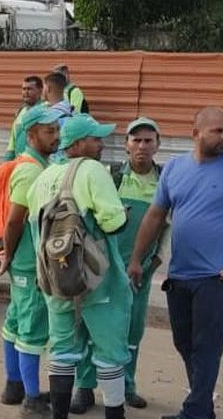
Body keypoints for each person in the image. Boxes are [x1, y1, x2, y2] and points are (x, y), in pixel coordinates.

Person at [129, 106, 223, 419]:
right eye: (218, 131)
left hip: (218, 276)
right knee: (184, 342)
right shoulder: (174, 169)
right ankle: (203, 408)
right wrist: (136, 259)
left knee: (206, 346)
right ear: (196, 134)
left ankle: (194, 411)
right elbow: (156, 215)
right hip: (180, 275)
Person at [27, 114, 131, 419]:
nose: (101, 144)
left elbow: (35, 229)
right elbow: (114, 223)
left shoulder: (44, 176)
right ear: (78, 143)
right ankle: (114, 413)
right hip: (97, 282)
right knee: (110, 352)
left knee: (62, 349)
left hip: (56, 280)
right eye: (95, 138)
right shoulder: (92, 170)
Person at [71, 117, 167, 413]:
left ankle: (127, 387)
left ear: (157, 145)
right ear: (126, 145)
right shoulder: (110, 177)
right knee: (89, 328)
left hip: (139, 271)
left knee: (132, 332)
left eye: (148, 140)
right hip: (103, 269)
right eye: (135, 140)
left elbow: (169, 226)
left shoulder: (165, 180)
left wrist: (155, 261)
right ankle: (83, 388)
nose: (141, 146)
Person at [0, 106, 63, 415]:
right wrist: (8, 253)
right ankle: (31, 400)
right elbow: (15, 220)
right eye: (50, 132)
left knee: (16, 321)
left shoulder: (40, 164)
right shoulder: (31, 170)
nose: (56, 137)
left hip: (24, 261)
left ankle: (14, 386)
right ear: (31, 135)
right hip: (29, 264)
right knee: (31, 326)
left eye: (57, 131)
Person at [4, 76, 44, 161]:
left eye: (29, 89)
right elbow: (13, 140)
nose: (26, 92)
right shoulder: (20, 112)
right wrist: (7, 160)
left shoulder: (45, 111)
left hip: (37, 163)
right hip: (19, 162)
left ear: (40, 90)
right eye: (24, 89)